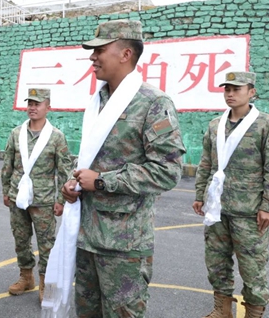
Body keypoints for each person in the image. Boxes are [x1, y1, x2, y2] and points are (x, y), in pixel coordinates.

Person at [62, 19, 185, 317]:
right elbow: (90, 158)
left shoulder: (153, 103)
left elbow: (168, 171)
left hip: (123, 244)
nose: (92, 57)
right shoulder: (99, 100)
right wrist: (73, 182)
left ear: (125, 54)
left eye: (100, 50)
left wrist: (102, 181)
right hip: (86, 236)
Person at [193, 71, 269, 318]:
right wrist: (200, 195)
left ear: (251, 92)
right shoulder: (216, 125)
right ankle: (222, 310)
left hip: (249, 212)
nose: (230, 94)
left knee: (252, 268)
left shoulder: (266, 125)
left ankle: (253, 314)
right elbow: (206, 163)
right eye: (227, 89)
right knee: (216, 263)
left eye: (237, 89)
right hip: (218, 208)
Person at [1, 88, 72, 304]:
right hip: (17, 197)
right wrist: (6, 191)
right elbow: (8, 165)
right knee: (21, 240)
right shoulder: (16, 133)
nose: (32, 108)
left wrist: (61, 201)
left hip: (44, 200)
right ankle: (26, 277)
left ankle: (45, 282)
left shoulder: (56, 136)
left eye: (37, 104)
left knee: (46, 244)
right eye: (30, 104)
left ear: (47, 107)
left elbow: (65, 171)